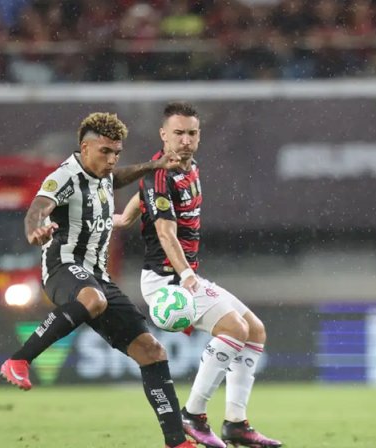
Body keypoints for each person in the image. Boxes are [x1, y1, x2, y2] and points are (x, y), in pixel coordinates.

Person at [0, 112, 197, 448]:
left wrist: (153, 166)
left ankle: (176, 442)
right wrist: (35, 230)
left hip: (98, 276)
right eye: (105, 152)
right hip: (64, 267)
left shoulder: (103, 173)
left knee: (152, 351)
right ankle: (19, 359)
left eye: (116, 152)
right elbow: (38, 207)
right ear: (84, 147)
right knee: (93, 299)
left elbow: (117, 177)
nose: (112, 159)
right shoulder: (64, 177)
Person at [116, 102, 282, 448]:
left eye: (192, 133)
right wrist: (188, 277)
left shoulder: (188, 169)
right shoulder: (159, 175)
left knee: (255, 331)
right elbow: (165, 233)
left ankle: (236, 423)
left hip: (184, 275)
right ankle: (193, 414)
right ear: (164, 135)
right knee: (234, 328)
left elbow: (141, 196)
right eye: (178, 133)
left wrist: (124, 218)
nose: (186, 140)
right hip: (166, 280)